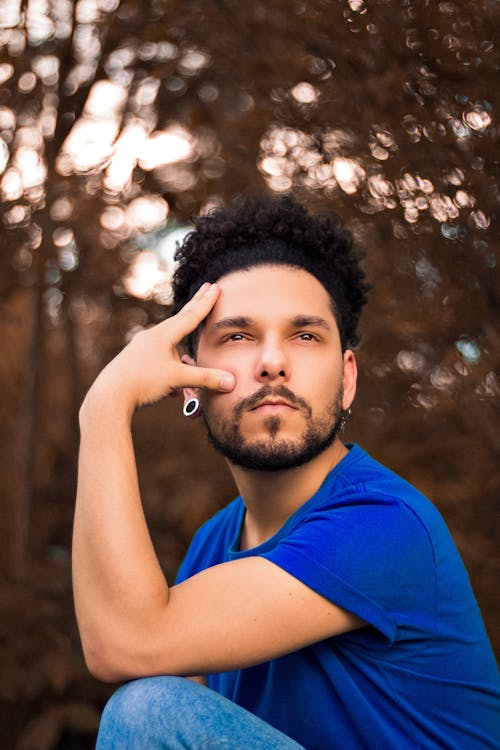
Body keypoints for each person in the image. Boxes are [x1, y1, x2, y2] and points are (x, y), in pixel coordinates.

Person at [73, 196, 500, 750]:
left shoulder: (386, 526)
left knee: (149, 711)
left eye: (305, 335)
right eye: (237, 336)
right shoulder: (212, 546)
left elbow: (123, 643)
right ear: (188, 378)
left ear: (347, 380)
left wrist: (104, 406)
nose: (272, 362)